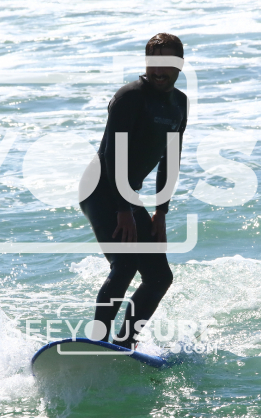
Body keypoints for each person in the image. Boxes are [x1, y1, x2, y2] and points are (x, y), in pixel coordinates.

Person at [79, 33, 188, 349]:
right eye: (154, 63)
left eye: (167, 63)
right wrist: (124, 209)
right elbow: (113, 155)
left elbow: (171, 160)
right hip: (100, 189)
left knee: (159, 277)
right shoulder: (129, 97)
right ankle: (97, 343)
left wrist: (161, 212)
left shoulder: (179, 104)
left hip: (126, 194)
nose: (159, 71)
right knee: (125, 264)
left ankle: (124, 343)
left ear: (180, 64)